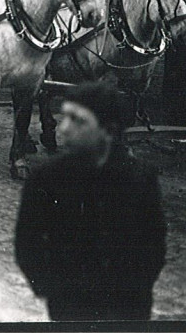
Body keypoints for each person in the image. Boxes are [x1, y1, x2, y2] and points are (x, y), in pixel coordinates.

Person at [15, 82, 166, 321]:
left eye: (78, 120)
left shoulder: (139, 179)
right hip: (70, 307)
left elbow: (154, 243)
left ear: (108, 130)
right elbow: (27, 244)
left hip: (127, 308)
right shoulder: (45, 180)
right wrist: (51, 289)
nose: (64, 128)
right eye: (63, 117)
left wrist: (135, 288)